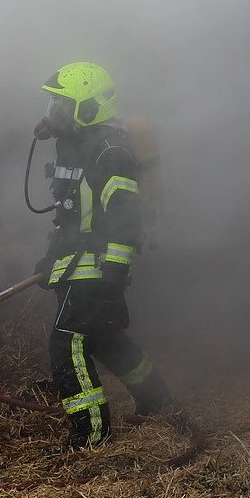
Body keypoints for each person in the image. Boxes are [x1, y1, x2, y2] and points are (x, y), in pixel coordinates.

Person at [31, 62, 171, 450]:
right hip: (78, 263)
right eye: (54, 105)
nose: (54, 113)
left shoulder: (109, 150)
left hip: (97, 267)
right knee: (106, 339)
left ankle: (90, 435)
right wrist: (52, 258)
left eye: (63, 105)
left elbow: (126, 217)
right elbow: (70, 214)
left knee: (68, 343)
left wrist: (113, 276)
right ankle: (158, 400)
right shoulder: (75, 147)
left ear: (89, 107)